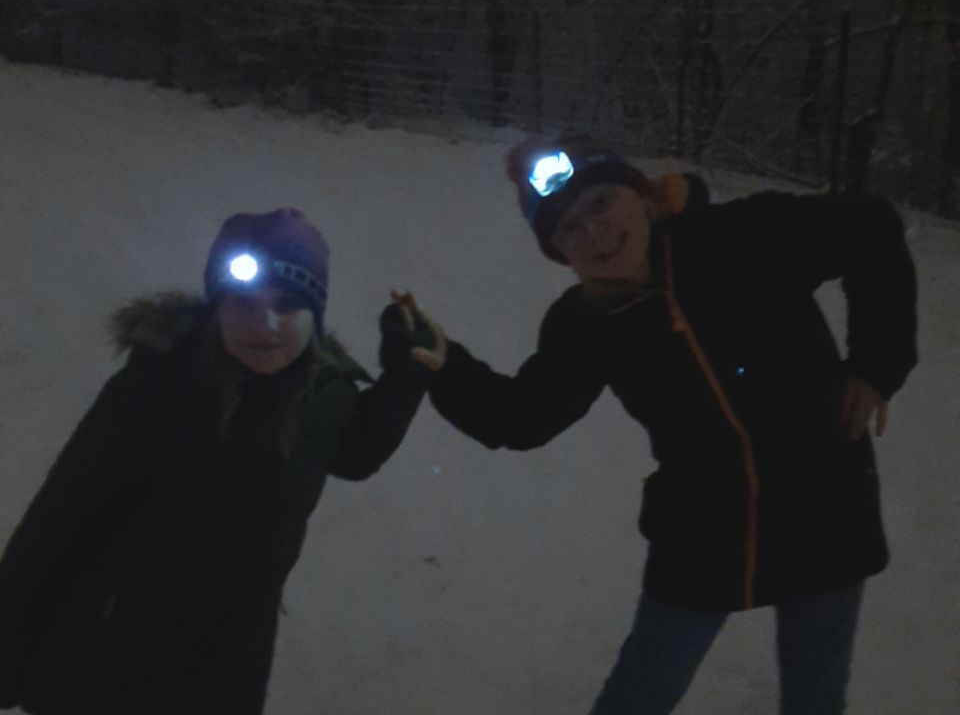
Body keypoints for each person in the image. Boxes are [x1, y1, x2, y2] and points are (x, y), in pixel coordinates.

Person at [400, 134, 918, 714]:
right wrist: (444, 364)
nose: (594, 232)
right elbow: (521, 417)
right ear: (559, 252)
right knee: (638, 696)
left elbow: (871, 225)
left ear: (643, 197)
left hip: (824, 501)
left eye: (601, 203)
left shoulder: (744, 236)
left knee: (815, 695)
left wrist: (876, 363)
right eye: (568, 228)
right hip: (704, 530)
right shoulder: (587, 323)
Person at [0, 208, 434, 715]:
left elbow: (354, 452)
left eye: (288, 305)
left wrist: (406, 374)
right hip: (108, 653)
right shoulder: (157, 386)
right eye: (244, 303)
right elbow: (58, 515)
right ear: (217, 309)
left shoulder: (322, 396)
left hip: (229, 662)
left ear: (315, 315)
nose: (265, 325)